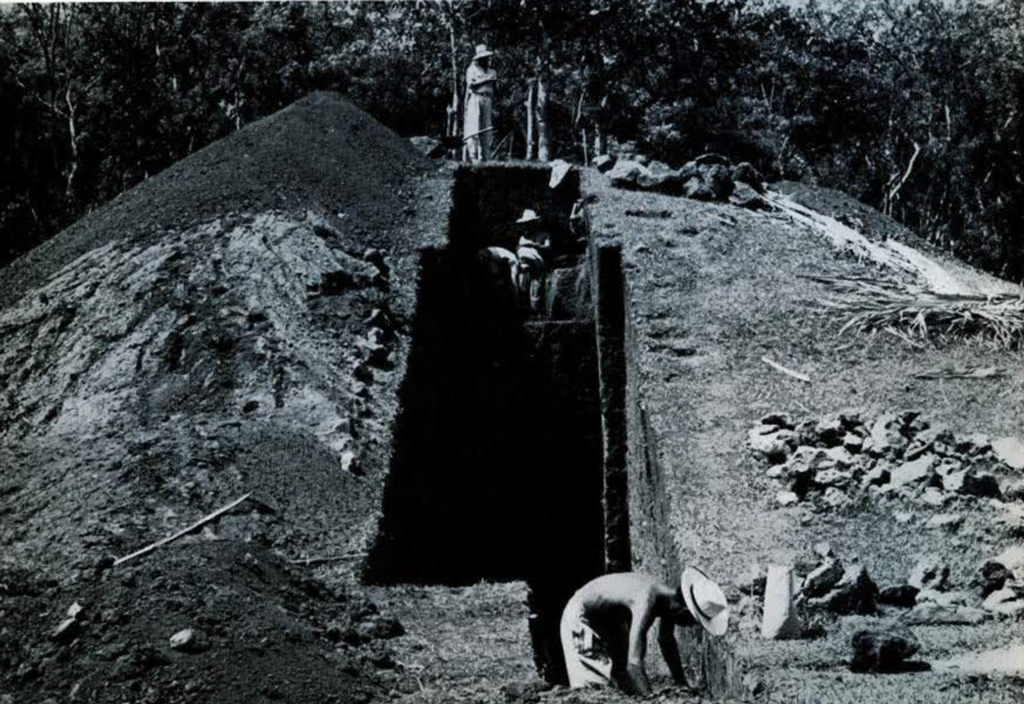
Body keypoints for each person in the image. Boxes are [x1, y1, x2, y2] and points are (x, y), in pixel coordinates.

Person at [560, 568, 729, 696]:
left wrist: (682, 684)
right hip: (582, 617)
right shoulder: (647, 600)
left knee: (621, 684)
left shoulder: (668, 599)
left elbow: (666, 640)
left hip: (608, 620)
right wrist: (651, 699)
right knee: (594, 691)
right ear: (684, 610)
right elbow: (634, 663)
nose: (692, 627)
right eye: (694, 622)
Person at [464, 44, 497, 162]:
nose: (486, 60)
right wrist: (485, 80)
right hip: (476, 98)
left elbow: (495, 87)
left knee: (486, 128)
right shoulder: (472, 70)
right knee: (474, 128)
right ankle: (474, 157)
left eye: (487, 58)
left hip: (488, 99)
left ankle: (486, 158)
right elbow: (471, 85)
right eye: (484, 58)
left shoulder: (492, 71)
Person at [514, 209, 551, 312]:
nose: (527, 226)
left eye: (529, 223)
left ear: (534, 223)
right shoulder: (522, 238)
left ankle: (536, 310)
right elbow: (519, 249)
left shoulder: (544, 234)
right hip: (525, 264)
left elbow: (548, 248)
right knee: (523, 282)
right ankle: (525, 309)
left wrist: (534, 245)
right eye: (525, 224)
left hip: (538, 263)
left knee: (536, 285)